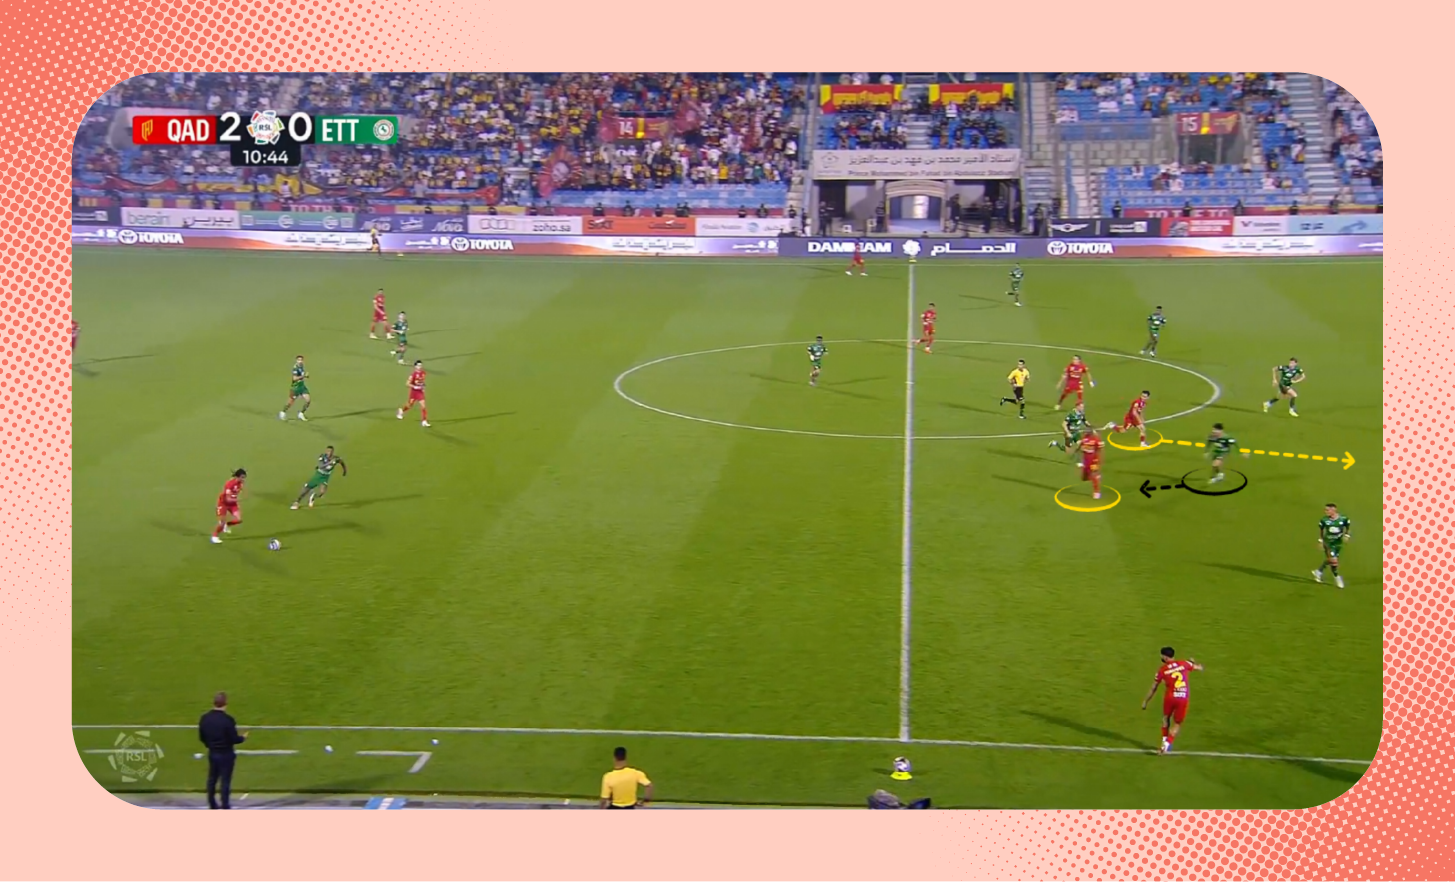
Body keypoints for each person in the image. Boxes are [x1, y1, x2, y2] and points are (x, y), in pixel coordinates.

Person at [1141, 648, 1204, 755]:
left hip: (1170, 697)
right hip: (1183, 697)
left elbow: (1154, 688)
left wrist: (1146, 701)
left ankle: (1163, 742)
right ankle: (1166, 745)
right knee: (1177, 723)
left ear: (1165, 657)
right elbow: (1199, 667)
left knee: (1165, 719)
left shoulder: (1162, 670)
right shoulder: (1184, 663)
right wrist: (1193, 663)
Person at [199, 692, 247, 809]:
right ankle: (225, 804)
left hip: (213, 752)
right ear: (225, 704)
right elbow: (233, 739)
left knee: (212, 779)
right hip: (226, 754)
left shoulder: (205, 718)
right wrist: (242, 738)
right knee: (225, 780)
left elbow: (202, 737)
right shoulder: (228, 720)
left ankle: (212, 803)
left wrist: (210, 745)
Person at [1313, 503, 1352, 588]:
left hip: (1338, 543)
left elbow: (1347, 526)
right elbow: (1321, 530)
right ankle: (1337, 577)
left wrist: (1347, 535)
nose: (1325, 511)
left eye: (1327, 510)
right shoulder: (1324, 520)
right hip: (1328, 543)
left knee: (1330, 559)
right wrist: (1320, 541)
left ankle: (1318, 571)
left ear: (1334, 510)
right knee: (1334, 562)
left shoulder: (1343, 519)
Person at [210, 469, 246, 544]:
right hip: (223, 503)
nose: (243, 479)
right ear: (237, 477)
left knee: (239, 520)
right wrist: (238, 500)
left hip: (232, 504)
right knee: (221, 523)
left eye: (244, 477)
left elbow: (237, 492)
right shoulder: (229, 484)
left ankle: (227, 524)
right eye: (242, 477)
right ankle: (214, 537)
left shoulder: (241, 483)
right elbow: (228, 499)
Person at [398, 360, 430, 427]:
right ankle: (402, 411)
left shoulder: (423, 373)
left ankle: (424, 421)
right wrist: (414, 386)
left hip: (420, 392)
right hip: (414, 392)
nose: (420, 367)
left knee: (423, 406)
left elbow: (422, 382)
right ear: (415, 366)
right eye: (418, 365)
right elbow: (407, 384)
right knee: (410, 405)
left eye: (420, 365)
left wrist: (423, 387)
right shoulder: (413, 375)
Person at [1075, 427, 1105, 499]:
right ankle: (1095, 477)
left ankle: (1096, 492)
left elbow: (1099, 449)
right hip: (1086, 460)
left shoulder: (1095, 440)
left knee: (1094, 475)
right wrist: (1078, 449)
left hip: (1093, 459)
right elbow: (1081, 446)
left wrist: (1098, 460)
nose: (1085, 433)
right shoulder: (1084, 438)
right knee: (1084, 477)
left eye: (1087, 432)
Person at [279, 355, 311, 421]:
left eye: (301, 360)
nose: (300, 361)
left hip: (302, 387)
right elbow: (294, 378)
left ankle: (301, 414)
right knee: (290, 402)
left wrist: (305, 377)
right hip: (295, 388)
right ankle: (283, 412)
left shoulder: (302, 366)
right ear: (296, 361)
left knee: (308, 400)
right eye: (299, 360)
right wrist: (304, 376)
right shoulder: (295, 368)